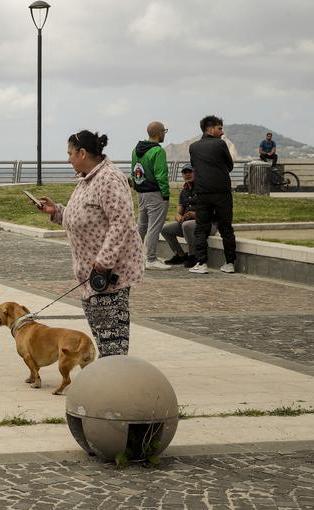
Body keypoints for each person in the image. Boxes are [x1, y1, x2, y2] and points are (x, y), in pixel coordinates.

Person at [36, 130, 142, 357]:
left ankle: (115, 382)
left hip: (109, 275)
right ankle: (108, 379)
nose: (68, 159)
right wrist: (56, 211)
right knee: (103, 336)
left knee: (112, 340)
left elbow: (121, 222)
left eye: (70, 154)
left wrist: (104, 262)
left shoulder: (109, 179)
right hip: (91, 276)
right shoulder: (87, 179)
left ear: (82, 153)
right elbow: (83, 216)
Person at [188, 115, 236, 274]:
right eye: (219, 128)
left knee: (201, 228)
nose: (222, 132)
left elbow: (195, 166)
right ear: (209, 129)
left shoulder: (193, 147)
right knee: (226, 227)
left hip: (202, 192)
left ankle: (201, 263)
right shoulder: (220, 144)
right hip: (222, 192)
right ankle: (229, 263)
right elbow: (229, 165)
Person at [131, 121, 171, 270]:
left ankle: (132, 256)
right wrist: (165, 194)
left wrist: (137, 187)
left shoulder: (136, 150)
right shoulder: (158, 151)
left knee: (141, 226)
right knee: (154, 227)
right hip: (155, 193)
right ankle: (151, 259)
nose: (164, 134)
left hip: (141, 192)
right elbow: (161, 175)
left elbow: (133, 171)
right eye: (164, 131)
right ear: (159, 133)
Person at [160, 165, 215, 268]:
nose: (187, 174)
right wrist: (179, 217)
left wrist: (194, 214)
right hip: (188, 225)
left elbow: (211, 212)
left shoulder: (204, 189)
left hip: (207, 224)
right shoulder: (184, 191)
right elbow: (179, 212)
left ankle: (193, 255)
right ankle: (181, 256)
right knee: (165, 229)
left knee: (186, 225)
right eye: (184, 172)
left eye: (190, 171)